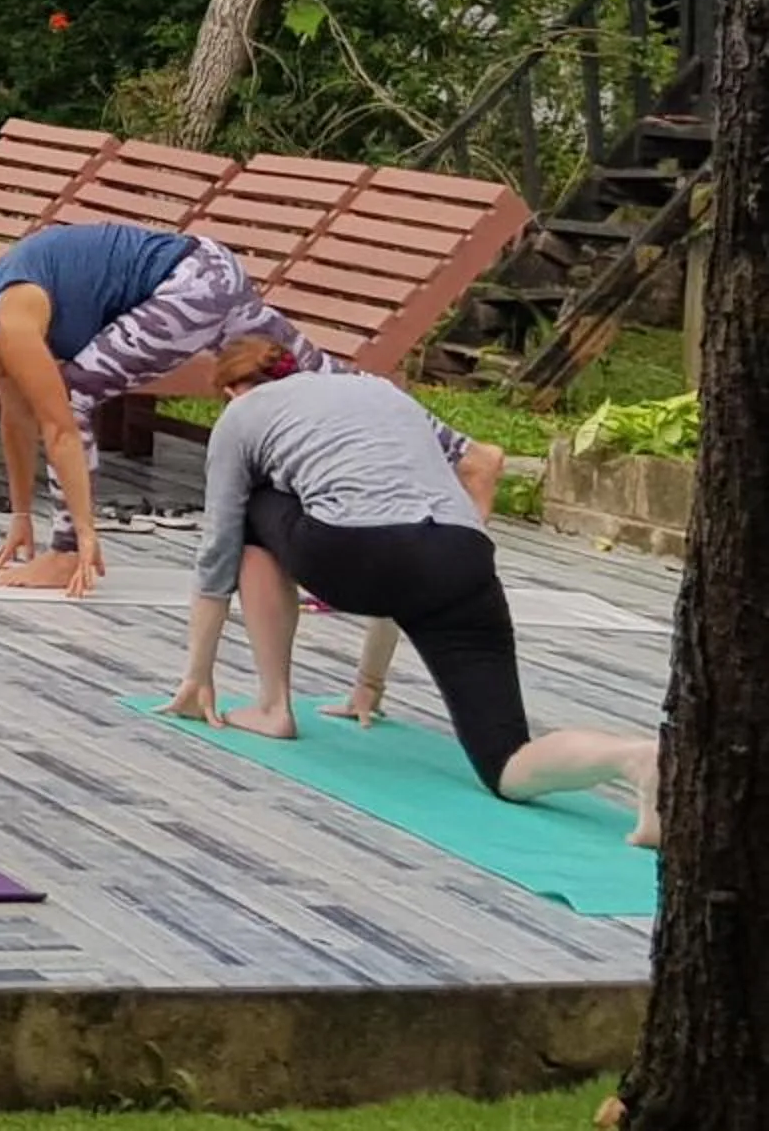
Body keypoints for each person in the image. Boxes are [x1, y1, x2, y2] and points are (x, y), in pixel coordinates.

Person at [162, 338, 651, 843]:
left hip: (354, 553)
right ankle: (631, 757)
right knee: (507, 763)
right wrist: (368, 686)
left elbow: (218, 550)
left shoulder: (242, 417)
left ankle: (273, 706)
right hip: (462, 554)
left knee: (253, 514)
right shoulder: (378, 392)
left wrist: (198, 674)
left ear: (229, 390)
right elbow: (408, 513)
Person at [0, 219, 460, 596]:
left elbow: (60, 427)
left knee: (71, 392)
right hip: (210, 270)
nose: (4, 379)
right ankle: (462, 451)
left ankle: (65, 551)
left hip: (190, 286)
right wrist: (20, 517)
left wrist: (82, 538)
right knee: (319, 378)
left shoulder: (13, 321)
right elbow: (16, 421)